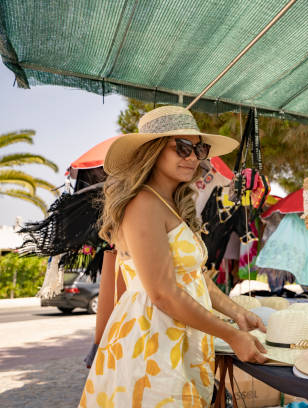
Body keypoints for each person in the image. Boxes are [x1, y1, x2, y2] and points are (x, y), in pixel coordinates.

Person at [79, 106, 267, 407]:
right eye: (182, 148)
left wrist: (236, 313)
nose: (193, 157)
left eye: (199, 149)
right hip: (152, 343)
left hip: (173, 339)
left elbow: (195, 278)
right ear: (153, 151)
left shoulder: (169, 204)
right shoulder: (143, 203)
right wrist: (232, 335)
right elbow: (163, 294)